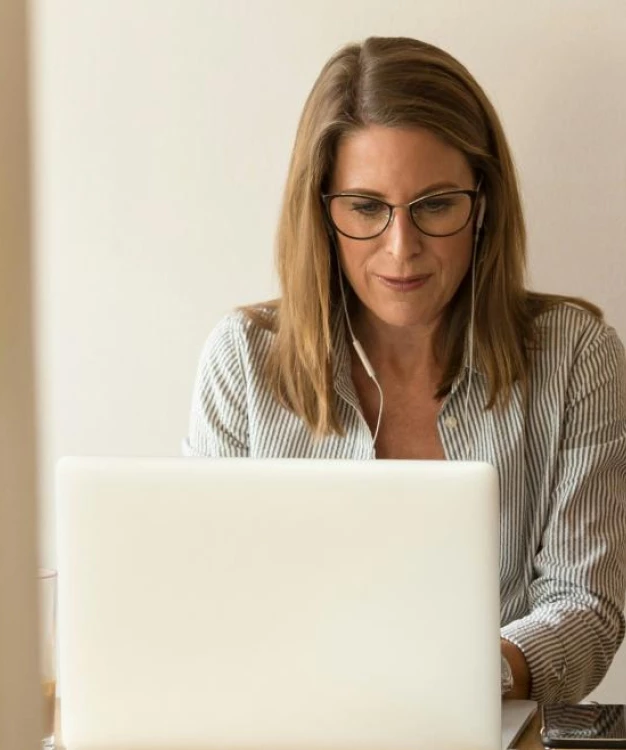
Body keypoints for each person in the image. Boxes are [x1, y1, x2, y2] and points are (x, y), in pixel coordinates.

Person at [184, 36, 626, 704]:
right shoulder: (243, 360)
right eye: (365, 208)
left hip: (489, 728)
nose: (401, 249)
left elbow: (587, 606)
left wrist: (477, 677)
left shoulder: (575, 355)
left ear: (483, 204)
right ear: (321, 212)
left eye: (435, 205)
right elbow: (204, 599)